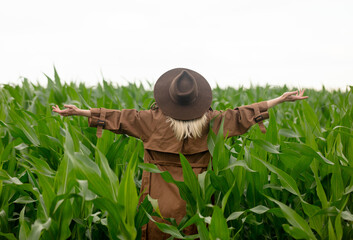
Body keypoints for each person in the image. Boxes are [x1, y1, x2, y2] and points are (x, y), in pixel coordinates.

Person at [52, 68, 308, 239]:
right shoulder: (213, 123)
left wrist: (78, 112)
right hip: (197, 212)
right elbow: (242, 115)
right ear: (198, 100)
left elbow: (118, 118)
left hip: (155, 214)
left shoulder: (150, 121)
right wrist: (279, 100)